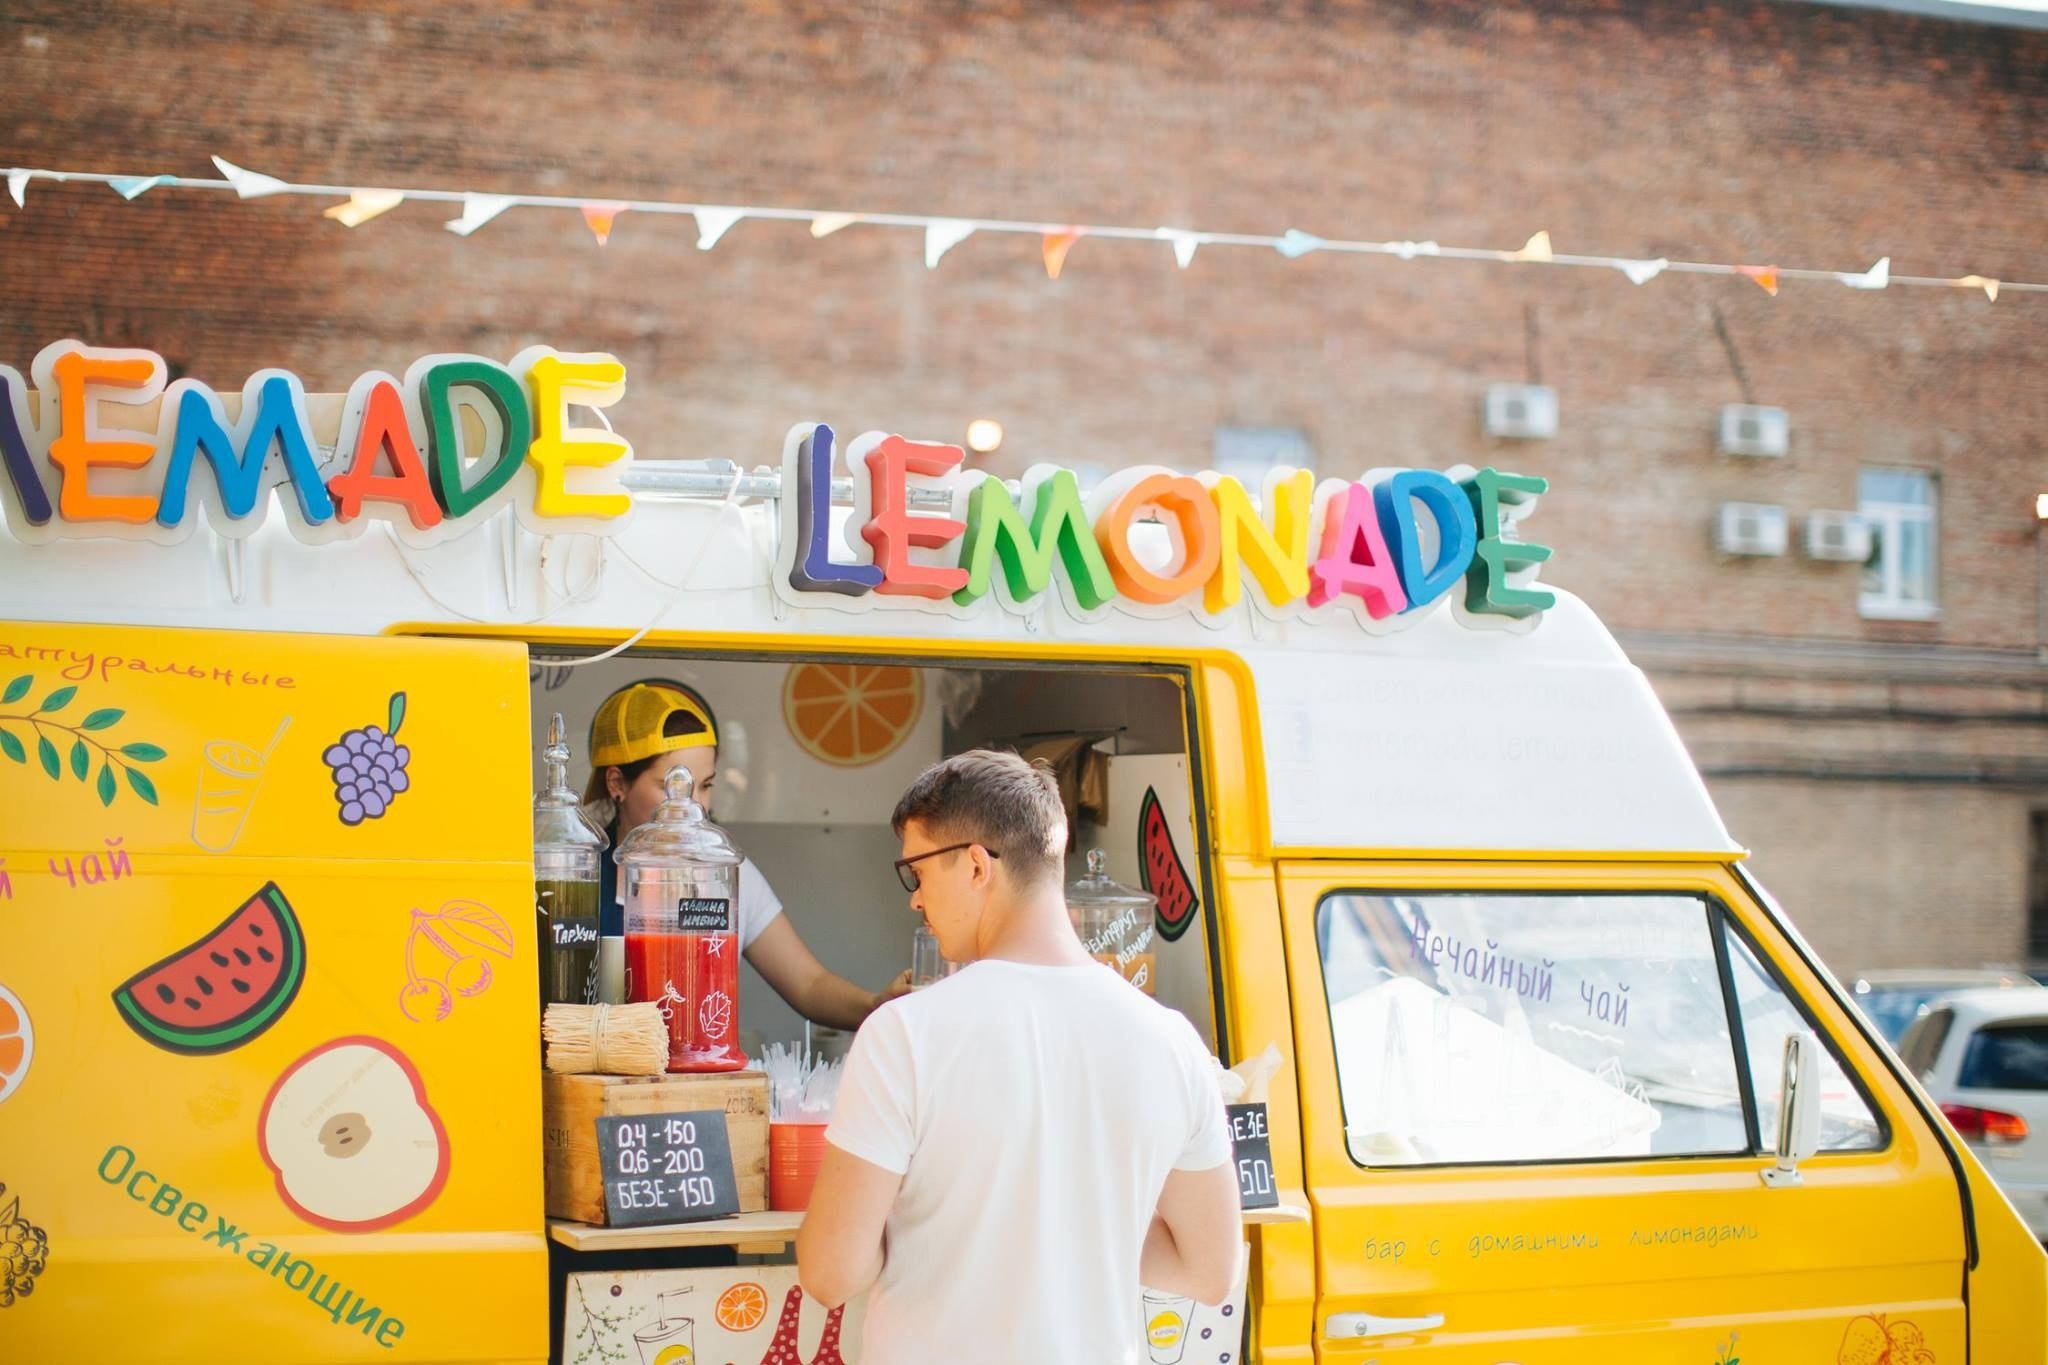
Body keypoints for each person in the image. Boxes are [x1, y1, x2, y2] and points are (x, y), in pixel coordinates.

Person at [797, 750, 1240, 1363]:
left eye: (916, 873)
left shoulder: (904, 1034)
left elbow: (830, 1272)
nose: (915, 900)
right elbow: (1210, 1269)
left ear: (977, 865)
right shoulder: (1171, 1042)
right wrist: (1075, 1231)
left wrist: (933, 1228)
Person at [584, 680, 909, 1030]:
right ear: (617, 784)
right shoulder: (578, 878)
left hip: (701, 1065)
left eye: (705, 785)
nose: (694, 805)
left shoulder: (729, 874)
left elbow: (809, 984)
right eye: (671, 787)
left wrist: (877, 1006)